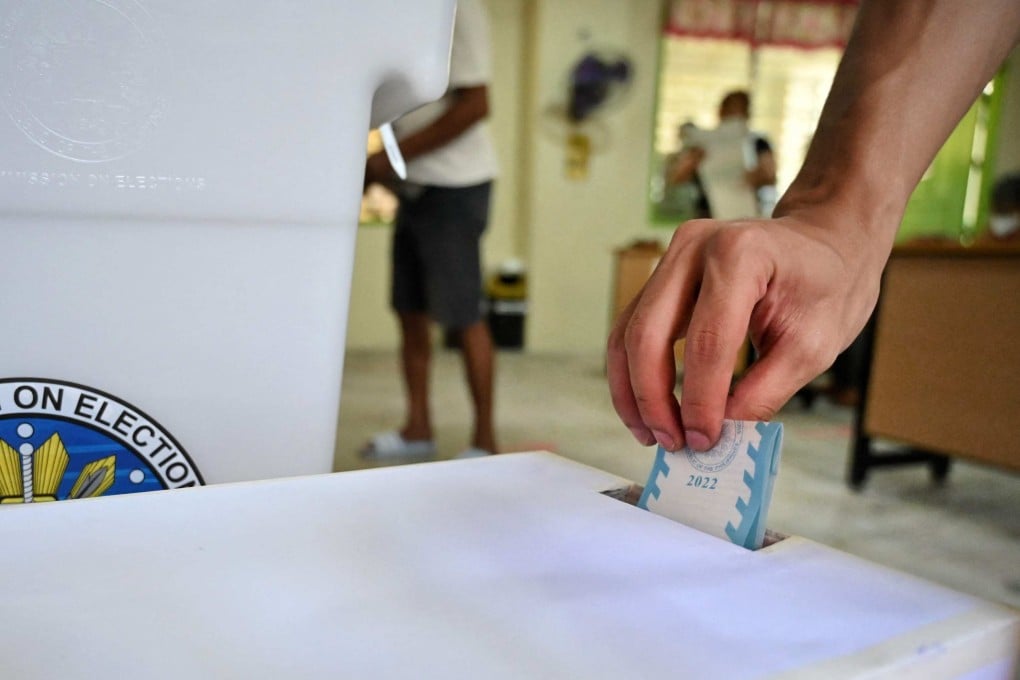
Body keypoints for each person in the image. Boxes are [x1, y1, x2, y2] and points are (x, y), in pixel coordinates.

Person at [608, 0, 1020, 453]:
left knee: (735, 328)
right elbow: (675, 179)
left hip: (756, 225)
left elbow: (766, 173)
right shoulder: (704, 144)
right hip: (721, 232)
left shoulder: (756, 141)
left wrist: (834, 216)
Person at [361, 0, 498, 459]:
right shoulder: (400, 14)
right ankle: (418, 429)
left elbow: (476, 105)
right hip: (413, 186)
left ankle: (485, 441)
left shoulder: (458, 8)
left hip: (455, 187)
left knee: (462, 317)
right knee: (410, 312)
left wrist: (384, 160)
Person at [666, 91, 777, 220]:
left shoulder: (758, 143)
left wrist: (755, 176)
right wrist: (694, 159)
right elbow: (676, 178)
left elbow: (771, 176)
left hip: (745, 216)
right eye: (730, 109)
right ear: (721, 111)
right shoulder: (702, 143)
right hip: (708, 216)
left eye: (739, 111)